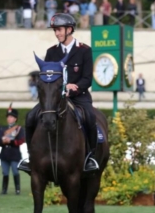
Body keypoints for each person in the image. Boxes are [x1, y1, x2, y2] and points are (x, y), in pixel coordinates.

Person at [19, 13, 99, 173]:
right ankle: (31, 158)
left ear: (70, 29)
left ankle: (90, 157)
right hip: (54, 100)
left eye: (59, 30)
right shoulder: (51, 52)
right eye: (55, 30)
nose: (57, 33)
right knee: (30, 117)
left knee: (90, 117)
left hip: (78, 98)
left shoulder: (84, 50)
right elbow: (47, 77)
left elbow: (87, 79)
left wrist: (74, 86)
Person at [0, 106, 24, 195]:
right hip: (4, 154)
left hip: (14, 154)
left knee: (15, 172)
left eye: (11, 117)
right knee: (5, 173)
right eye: (8, 117)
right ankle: (4, 190)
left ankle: (17, 189)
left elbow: (21, 140)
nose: (9, 118)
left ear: (15, 119)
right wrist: (2, 141)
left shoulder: (19, 128)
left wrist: (11, 141)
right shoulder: (2, 128)